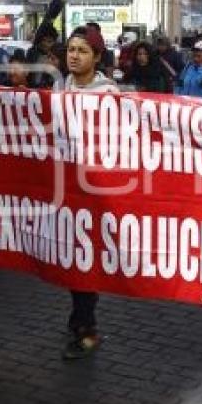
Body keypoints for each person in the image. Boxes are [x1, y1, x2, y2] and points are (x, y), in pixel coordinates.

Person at [61, 30, 118, 359]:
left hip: (95, 190)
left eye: (82, 50)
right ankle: (79, 320)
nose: (74, 56)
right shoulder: (60, 87)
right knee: (70, 258)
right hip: (65, 188)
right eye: (71, 49)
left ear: (96, 57)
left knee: (85, 258)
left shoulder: (108, 93)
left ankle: (86, 328)